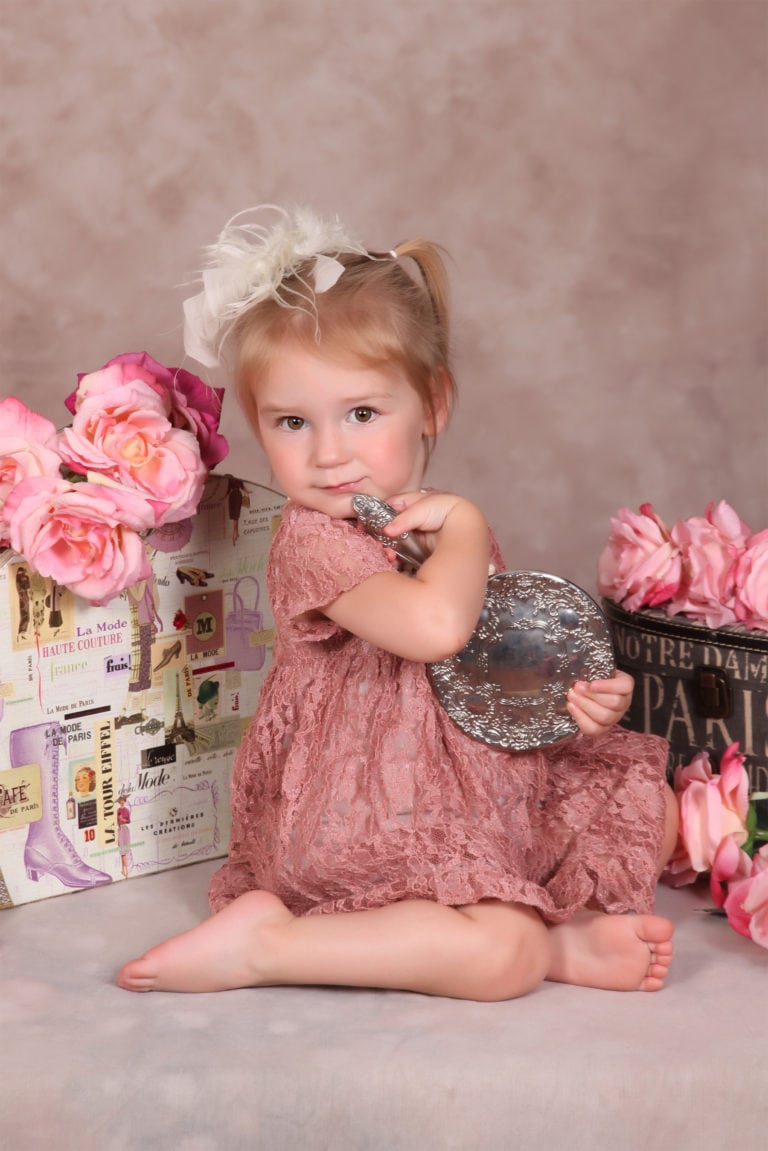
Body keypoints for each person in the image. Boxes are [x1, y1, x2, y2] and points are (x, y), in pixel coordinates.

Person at [117, 205, 678, 999]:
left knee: (649, 806)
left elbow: (494, 662)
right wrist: (471, 528)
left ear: (433, 405)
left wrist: (575, 699)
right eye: (291, 422)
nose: (329, 452)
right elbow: (437, 629)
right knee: (503, 957)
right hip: (361, 817)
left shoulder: (427, 521)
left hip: (469, 785)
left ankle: (544, 931)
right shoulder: (315, 540)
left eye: (361, 413)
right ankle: (275, 943)